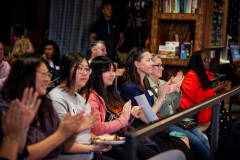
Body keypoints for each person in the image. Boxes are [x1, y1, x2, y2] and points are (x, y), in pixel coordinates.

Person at [0, 54, 99, 160]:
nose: (47, 80)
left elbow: (64, 146)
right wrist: (61, 135)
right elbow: (19, 156)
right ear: (25, 75)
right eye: (43, 74)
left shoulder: (45, 103)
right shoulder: (8, 108)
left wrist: (73, 131)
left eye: (48, 74)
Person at [120, 47, 196, 160]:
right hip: (142, 133)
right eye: (148, 60)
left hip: (152, 129)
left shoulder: (144, 83)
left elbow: (152, 108)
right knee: (179, 148)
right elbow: (147, 118)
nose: (152, 64)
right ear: (137, 64)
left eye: (151, 60)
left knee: (182, 146)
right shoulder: (131, 88)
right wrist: (161, 97)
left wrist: (168, 91)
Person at [80, 56, 160, 160]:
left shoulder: (112, 92)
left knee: (154, 154)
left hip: (121, 136)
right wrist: (124, 118)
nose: (112, 74)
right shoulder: (91, 97)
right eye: (107, 71)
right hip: (107, 142)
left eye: (113, 70)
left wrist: (130, 115)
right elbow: (97, 129)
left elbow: (122, 119)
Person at [47, 52, 113, 160]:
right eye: (80, 68)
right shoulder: (56, 98)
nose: (85, 73)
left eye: (87, 69)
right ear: (65, 69)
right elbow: (61, 144)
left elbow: (86, 134)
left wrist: (99, 139)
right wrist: (92, 147)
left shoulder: (82, 100)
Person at [147, 53, 210, 160]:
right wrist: (172, 89)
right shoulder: (148, 86)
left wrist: (177, 89)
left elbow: (175, 105)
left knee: (203, 138)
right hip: (164, 123)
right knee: (196, 141)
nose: (162, 68)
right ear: (150, 67)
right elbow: (160, 109)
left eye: (162, 65)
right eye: (158, 65)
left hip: (176, 118)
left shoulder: (162, 82)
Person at [179, 51, 227, 123]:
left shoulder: (208, 74)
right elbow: (198, 98)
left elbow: (216, 93)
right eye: (205, 60)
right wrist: (215, 89)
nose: (208, 62)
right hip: (194, 114)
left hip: (208, 109)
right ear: (197, 62)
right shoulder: (190, 77)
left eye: (208, 59)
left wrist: (222, 88)